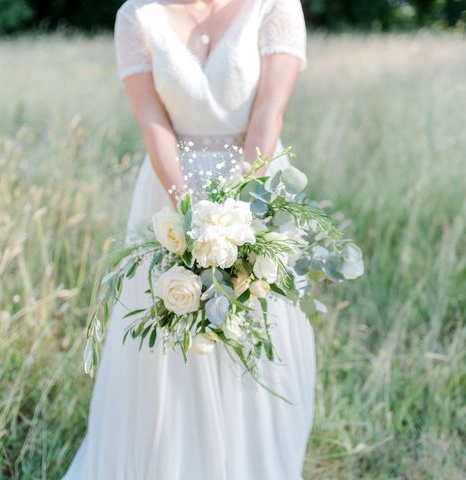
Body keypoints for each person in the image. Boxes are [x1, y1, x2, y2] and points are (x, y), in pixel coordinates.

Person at [64, 0, 315, 478]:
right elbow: (153, 125)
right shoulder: (135, 16)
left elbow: (268, 113)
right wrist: (189, 214)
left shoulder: (275, 5)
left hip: (255, 182)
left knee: (258, 319)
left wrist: (238, 213)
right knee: (169, 325)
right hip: (167, 192)